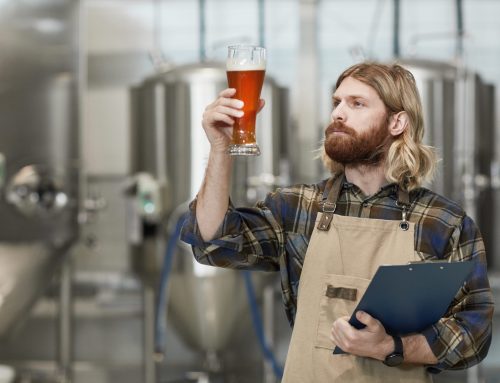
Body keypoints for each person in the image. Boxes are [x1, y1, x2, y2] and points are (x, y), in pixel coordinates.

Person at [180, 62, 494, 382]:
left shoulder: (443, 222)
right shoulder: (299, 207)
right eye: (336, 103)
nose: (338, 114)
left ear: (397, 121)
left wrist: (391, 346)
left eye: (356, 103)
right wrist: (220, 148)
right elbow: (213, 243)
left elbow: (474, 332)